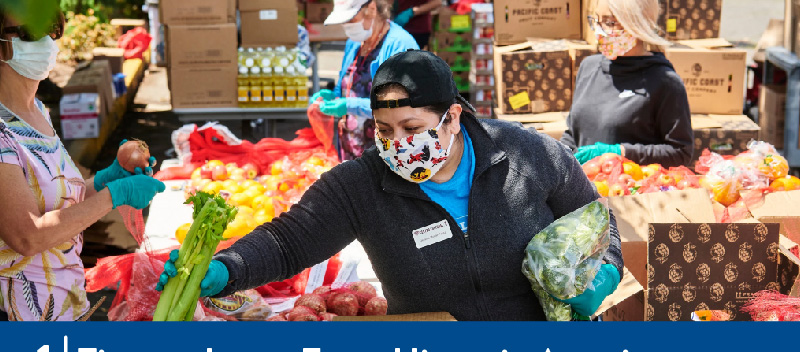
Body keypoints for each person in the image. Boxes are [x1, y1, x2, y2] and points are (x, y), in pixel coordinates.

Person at [159, 50, 624, 321]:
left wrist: (602, 276)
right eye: (384, 129)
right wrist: (222, 269)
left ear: (452, 117)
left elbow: (598, 221)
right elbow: (288, 241)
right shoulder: (362, 186)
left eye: (410, 127)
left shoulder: (527, 154)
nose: (397, 143)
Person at [0, 11, 165, 321]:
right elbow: (27, 236)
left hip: (66, 301)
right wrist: (115, 194)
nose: (48, 41)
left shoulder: (36, 110)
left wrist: (107, 179)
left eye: (53, 27)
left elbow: (60, 208)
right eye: (31, 33)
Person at [561, 0, 693, 168]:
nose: (600, 31)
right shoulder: (589, 67)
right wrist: (561, 155)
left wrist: (621, 152)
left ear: (638, 26)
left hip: (630, 190)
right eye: (597, 21)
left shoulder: (665, 81)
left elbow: (681, 153)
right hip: (583, 188)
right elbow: (573, 133)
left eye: (610, 23)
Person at [310, 0, 419, 160]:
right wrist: (333, 95)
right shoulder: (354, 42)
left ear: (371, 9)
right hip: (352, 149)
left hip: (387, 153)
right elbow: (347, 82)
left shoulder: (401, 45)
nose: (346, 26)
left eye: (351, 20)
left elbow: (402, 103)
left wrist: (350, 105)